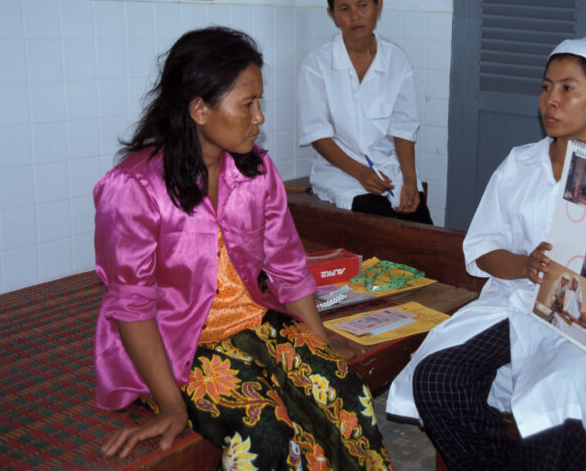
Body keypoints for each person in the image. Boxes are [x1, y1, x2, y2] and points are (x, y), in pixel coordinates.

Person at [386, 37, 586, 470]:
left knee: (562, 408)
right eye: (545, 87)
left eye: (567, 89)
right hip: (516, 305)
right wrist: (524, 265)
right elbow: (481, 248)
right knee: (438, 377)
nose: (550, 101)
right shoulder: (519, 164)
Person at [93, 26, 392, 470]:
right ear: (198, 109)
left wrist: (320, 342)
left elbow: (288, 266)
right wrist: (171, 405)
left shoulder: (256, 173)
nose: (260, 118)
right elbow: (133, 308)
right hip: (178, 343)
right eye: (247, 104)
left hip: (254, 319)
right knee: (263, 431)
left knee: (343, 389)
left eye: (259, 102)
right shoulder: (133, 188)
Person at [297, 0, 432, 224]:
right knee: (379, 218)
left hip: (387, 166)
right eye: (344, 9)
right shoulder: (316, 64)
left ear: (378, 6)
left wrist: (411, 181)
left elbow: (404, 127)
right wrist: (360, 173)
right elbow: (317, 134)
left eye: (362, 5)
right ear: (332, 14)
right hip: (340, 171)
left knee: (421, 224)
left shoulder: (397, 60)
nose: (355, 17)